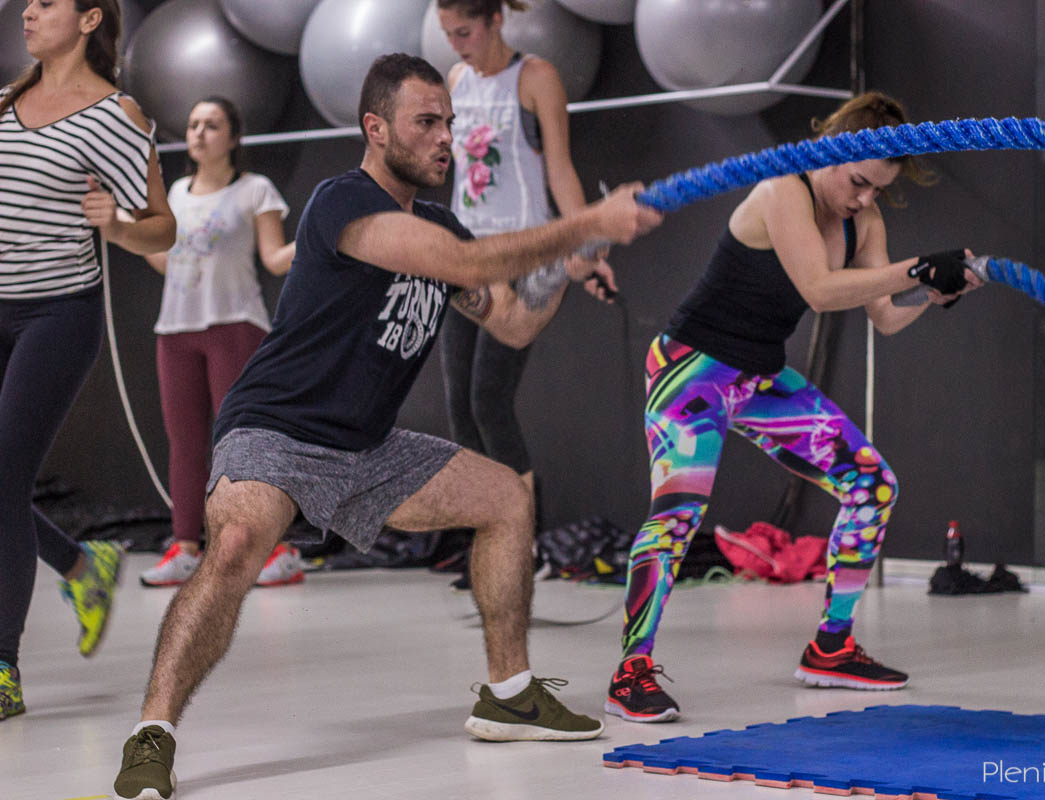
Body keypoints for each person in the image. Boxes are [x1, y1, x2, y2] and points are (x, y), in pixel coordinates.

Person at [112, 53, 659, 799]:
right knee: (237, 546)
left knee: (505, 498)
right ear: (376, 129)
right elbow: (462, 262)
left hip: (366, 446)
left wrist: (567, 268)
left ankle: (510, 692)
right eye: (426, 123)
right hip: (275, 429)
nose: (445, 139)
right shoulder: (342, 203)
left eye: (449, 124)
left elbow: (511, 324)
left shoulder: (438, 220)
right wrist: (584, 221)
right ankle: (153, 734)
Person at [605, 92, 983, 723]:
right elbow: (819, 288)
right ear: (834, 153)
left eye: (877, 189)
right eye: (859, 182)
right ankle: (630, 671)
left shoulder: (866, 221)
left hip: (757, 378)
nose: (864, 199)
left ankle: (830, 649)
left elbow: (885, 316)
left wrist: (936, 294)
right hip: (691, 369)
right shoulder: (785, 188)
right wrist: (916, 269)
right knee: (678, 514)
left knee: (872, 484)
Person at [0, 0, 174, 722]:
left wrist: (120, 224)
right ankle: (80, 563)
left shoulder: (116, 115)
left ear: (91, 19)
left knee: (5, 474)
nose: (27, 12)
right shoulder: (5, 100)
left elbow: (163, 226)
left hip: (57, 315)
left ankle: (2, 669)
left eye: (46, 3)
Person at [435, 0, 615, 546]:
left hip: (520, 253)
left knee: (491, 398)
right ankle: (482, 541)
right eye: (448, 33)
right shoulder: (456, 79)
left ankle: (521, 540)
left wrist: (584, 242)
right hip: (465, 257)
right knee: (459, 405)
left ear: (495, 20)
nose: (456, 43)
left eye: (464, 30)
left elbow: (559, 167)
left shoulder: (535, 77)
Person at [139, 96, 302, 589]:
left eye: (212, 125)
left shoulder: (256, 190)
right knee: (185, 444)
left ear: (233, 137)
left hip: (235, 326)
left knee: (242, 444)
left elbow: (275, 259)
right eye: (192, 125)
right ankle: (187, 547)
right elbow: (166, 259)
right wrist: (120, 228)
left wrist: (325, 234)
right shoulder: (175, 194)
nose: (199, 133)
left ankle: (277, 549)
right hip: (176, 331)